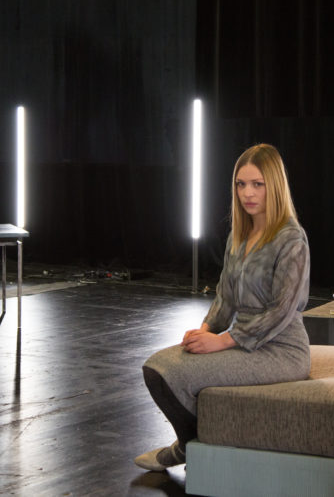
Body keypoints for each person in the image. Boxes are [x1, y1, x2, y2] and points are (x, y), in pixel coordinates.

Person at [134, 143, 310, 471]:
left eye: (258, 184)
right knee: (156, 369)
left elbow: (281, 311)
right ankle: (195, 443)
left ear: (275, 186)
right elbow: (226, 297)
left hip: (282, 351)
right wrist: (205, 330)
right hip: (244, 344)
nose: (248, 193)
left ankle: (186, 448)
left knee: (171, 374)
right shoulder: (238, 236)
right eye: (240, 184)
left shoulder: (291, 239)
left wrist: (223, 341)